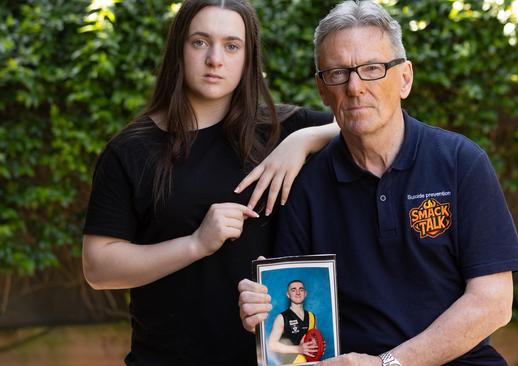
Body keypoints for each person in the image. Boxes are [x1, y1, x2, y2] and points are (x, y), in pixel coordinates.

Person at [238, 1, 518, 365]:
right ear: (322, 90)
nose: (355, 87)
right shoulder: (306, 187)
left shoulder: (460, 163)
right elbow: (294, 310)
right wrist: (264, 310)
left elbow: (493, 303)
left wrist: (388, 364)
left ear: (405, 78)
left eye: (372, 68)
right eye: (338, 73)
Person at [81, 1, 337, 365]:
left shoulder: (284, 130)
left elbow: (382, 122)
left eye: (232, 46)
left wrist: (303, 141)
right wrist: (196, 244)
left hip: (272, 359)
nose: (215, 59)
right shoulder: (131, 150)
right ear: (178, 50)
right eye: (200, 42)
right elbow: (98, 267)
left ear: (248, 58)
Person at [267, 280, 319, 364]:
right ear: (288, 294)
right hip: (290, 363)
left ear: (305, 293)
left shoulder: (312, 316)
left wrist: (319, 346)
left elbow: (314, 339)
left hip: (309, 363)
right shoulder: (281, 317)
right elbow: (271, 345)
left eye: (301, 289)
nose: (298, 292)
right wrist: (298, 349)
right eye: (293, 290)